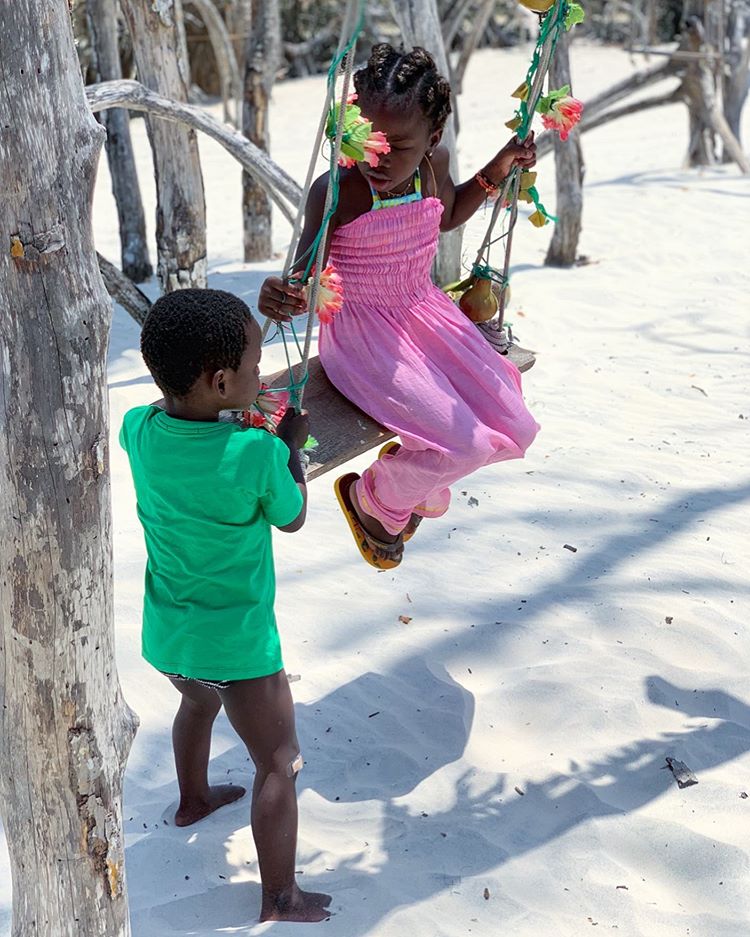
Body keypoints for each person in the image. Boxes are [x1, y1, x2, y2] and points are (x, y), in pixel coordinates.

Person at [258, 44, 540, 570]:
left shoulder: (434, 165)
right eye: (367, 140)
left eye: (397, 146)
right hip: (364, 335)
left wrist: (499, 168)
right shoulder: (338, 189)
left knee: (516, 425)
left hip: (425, 313)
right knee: (465, 445)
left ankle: (410, 473)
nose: (376, 158)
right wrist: (282, 294)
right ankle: (377, 497)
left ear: (432, 140)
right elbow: (304, 275)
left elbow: (449, 214)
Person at [119, 288, 330, 923]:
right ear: (219, 381)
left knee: (197, 702)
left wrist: (221, 414)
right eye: (254, 364)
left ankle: (193, 798)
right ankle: (280, 895)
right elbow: (290, 517)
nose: (261, 374)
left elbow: (173, 421)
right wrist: (289, 444)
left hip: (169, 635)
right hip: (239, 646)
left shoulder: (138, 429)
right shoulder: (257, 453)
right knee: (278, 761)